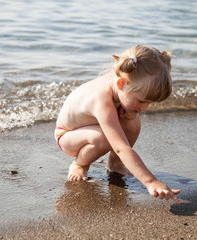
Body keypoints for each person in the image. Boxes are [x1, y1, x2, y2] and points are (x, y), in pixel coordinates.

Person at [55, 45, 181, 204]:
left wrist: (130, 110)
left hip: (91, 129)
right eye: (141, 101)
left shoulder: (121, 87)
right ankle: (79, 164)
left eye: (149, 104)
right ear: (122, 84)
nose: (145, 108)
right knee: (107, 138)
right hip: (67, 136)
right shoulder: (100, 99)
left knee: (133, 122)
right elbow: (121, 147)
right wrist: (150, 182)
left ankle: (115, 164)